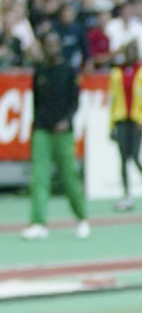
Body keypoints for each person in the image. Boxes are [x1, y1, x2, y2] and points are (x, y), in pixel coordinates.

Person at [22, 30, 88, 241]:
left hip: (63, 132)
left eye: (54, 43)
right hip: (42, 130)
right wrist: (36, 125)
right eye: (47, 44)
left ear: (60, 46)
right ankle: (38, 222)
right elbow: (36, 102)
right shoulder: (40, 71)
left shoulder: (68, 71)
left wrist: (67, 120)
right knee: (39, 177)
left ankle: (81, 218)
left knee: (69, 176)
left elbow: (75, 101)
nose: (51, 47)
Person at [109, 41, 142, 211]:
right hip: (122, 119)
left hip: (137, 121)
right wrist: (111, 124)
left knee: (136, 157)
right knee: (123, 159)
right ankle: (127, 195)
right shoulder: (117, 73)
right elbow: (113, 101)